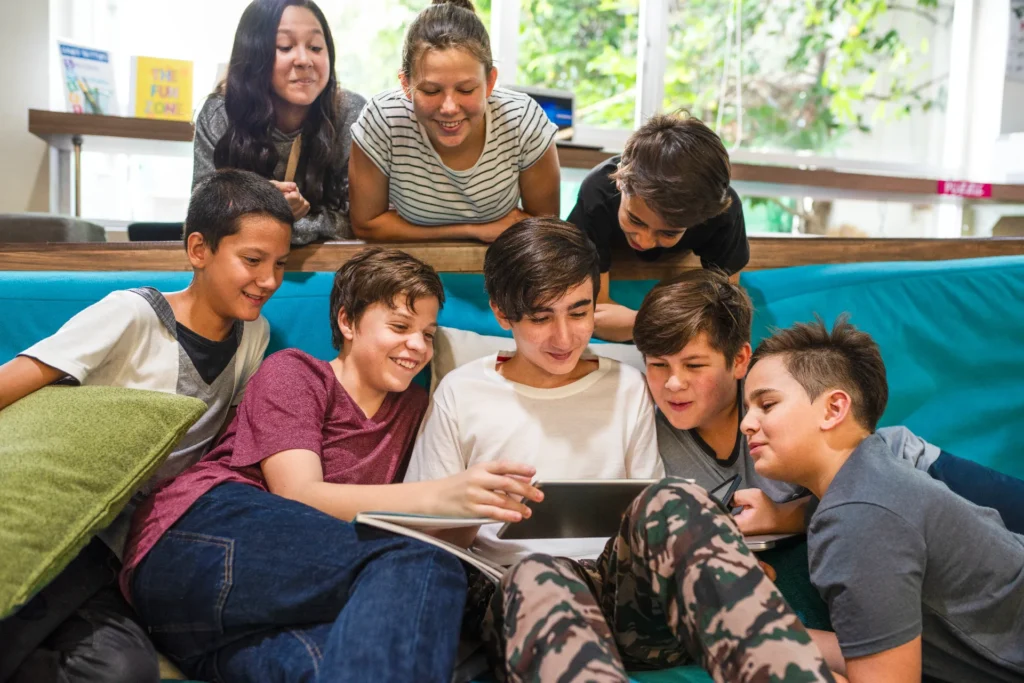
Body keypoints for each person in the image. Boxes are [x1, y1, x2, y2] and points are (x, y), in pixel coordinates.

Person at [404, 218, 837, 683]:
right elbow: (424, 547)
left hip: (624, 595)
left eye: (578, 311)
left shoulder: (629, 385)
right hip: (514, 588)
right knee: (541, 574)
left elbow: (651, 521)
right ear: (502, 313)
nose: (565, 336)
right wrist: (470, 507)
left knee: (673, 498)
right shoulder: (461, 393)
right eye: (540, 317)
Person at [123, 248, 544, 683]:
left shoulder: (417, 407)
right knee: (419, 566)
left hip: (224, 627)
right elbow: (299, 494)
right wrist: (445, 495)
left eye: (428, 334)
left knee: (352, 656)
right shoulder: (296, 373)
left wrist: (477, 510)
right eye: (400, 327)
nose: (417, 346)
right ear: (347, 322)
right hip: (192, 543)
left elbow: (423, 533)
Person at [0, 169, 293, 683]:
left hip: (121, 553)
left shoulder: (253, 336)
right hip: (55, 519)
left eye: (279, 265)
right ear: (198, 249)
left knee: (124, 670)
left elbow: (225, 445)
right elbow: (12, 384)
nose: (268, 280)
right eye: (252, 260)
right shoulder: (132, 315)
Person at [633, 269, 1024, 537]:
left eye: (694, 365)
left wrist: (787, 516)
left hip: (913, 472)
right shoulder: (644, 429)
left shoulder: (774, 392)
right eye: (657, 364)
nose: (673, 383)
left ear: (738, 360)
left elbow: (869, 483)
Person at [741, 317, 1024, 683]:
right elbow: (871, 653)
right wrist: (761, 628)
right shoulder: (872, 476)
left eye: (766, 404)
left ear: (833, 409)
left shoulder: (860, 517)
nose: (747, 423)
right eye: (747, 408)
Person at [348, 0, 561, 244]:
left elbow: (545, 229)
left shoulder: (523, 120)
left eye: (466, 89)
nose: (449, 108)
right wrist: (473, 231)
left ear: (490, 82)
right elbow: (366, 225)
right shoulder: (382, 119)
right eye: (430, 91)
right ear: (406, 84)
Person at [193, 0, 366, 244]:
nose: (304, 60)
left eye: (316, 47)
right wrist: (262, 205)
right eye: (285, 47)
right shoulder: (220, 114)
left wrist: (289, 220)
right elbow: (200, 219)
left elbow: (362, 222)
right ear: (253, 55)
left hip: (329, 270)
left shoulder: (352, 113)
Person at [568, 115, 748, 341]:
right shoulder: (598, 194)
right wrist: (668, 326)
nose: (644, 241)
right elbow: (595, 311)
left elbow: (727, 309)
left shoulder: (722, 213)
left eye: (668, 232)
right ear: (620, 183)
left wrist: (640, 322)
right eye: (635, 220)